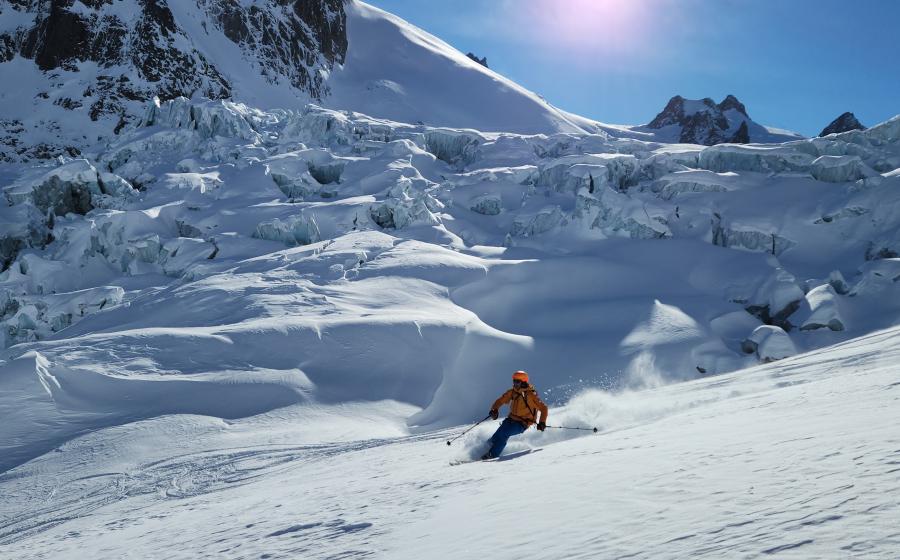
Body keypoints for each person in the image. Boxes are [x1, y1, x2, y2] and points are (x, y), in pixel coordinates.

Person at [481, 370, 549, 460]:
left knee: (504, 433)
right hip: (510, 419)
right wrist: (494, 409)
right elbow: (500, 400)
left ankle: (492, 455)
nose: (515, 384)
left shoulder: (530, 395)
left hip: (522, 423)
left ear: (523, 382)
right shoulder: (512, 392)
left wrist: (542, 422)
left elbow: (544, 408)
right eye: (514, 381)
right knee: (497, 435)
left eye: (517, 382)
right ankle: (483, 449)